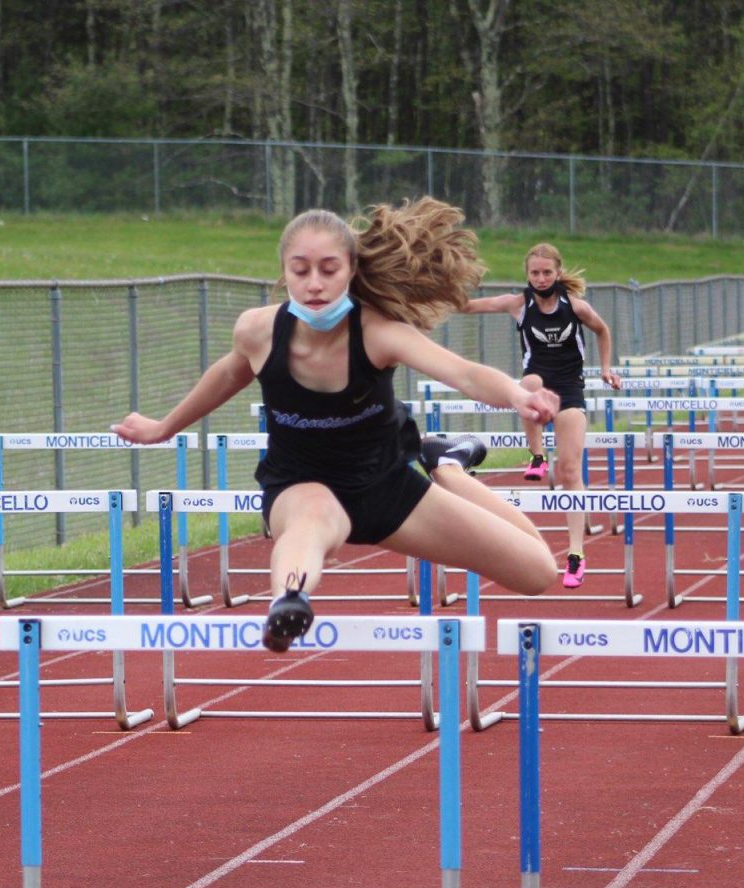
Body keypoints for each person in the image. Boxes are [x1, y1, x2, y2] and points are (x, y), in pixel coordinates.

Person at [111, 198, 560, 651]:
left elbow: (463, 372)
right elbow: (229, 372)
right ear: (283, 271)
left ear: (350, 271)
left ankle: (446, 466)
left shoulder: (378, 332)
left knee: (538, 573)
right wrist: (164, 427)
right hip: (299, 485)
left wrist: (518, 396)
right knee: (313, 517)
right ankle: (290, 601)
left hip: (385, 488)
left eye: (328, 269)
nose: (314, 284)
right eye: (300, 270)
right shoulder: (258, 331)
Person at [464, 242, 622, 589]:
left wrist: (607, 368)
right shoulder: (518, 304)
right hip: (537, 386)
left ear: (557, 273)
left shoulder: (576, 307)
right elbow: (469, 306)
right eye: (534, 273)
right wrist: (431, 292)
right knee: (529, 382)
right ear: (527, 275)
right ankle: (536, 454)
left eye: (546, 272)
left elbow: (603, 330)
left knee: (569, 469)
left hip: (569, 391)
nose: (540, 278)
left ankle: (576, 555)